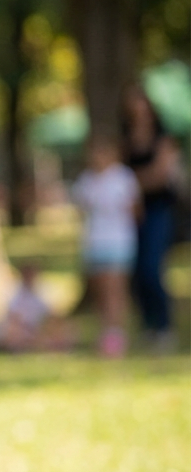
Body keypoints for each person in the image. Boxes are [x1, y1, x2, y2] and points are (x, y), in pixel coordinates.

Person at [121, 84, 182, 351]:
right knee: (135, 272)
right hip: (132, 215)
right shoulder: (125, 139)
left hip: (159, 211)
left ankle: (165, 326)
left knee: (151, 269)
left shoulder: (164, 138)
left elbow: (160, 176)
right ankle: (148, 326)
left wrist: (129, 183)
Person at [71, 137, 142, 357]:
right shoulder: (87, 180)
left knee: (116, 289)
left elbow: (136, 211)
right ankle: (106, 333)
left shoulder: (123, 178)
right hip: (95, 242)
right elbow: (79, 209)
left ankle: (118, 333)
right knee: (101, 291)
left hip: (119, 242)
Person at [0, 262, 71, 353]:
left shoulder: (44, 291)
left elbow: (53, 315)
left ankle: (33, 344)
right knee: (12, 332)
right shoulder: (13, 292)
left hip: (36, 329)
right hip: (20, 329)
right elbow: (11, 318)